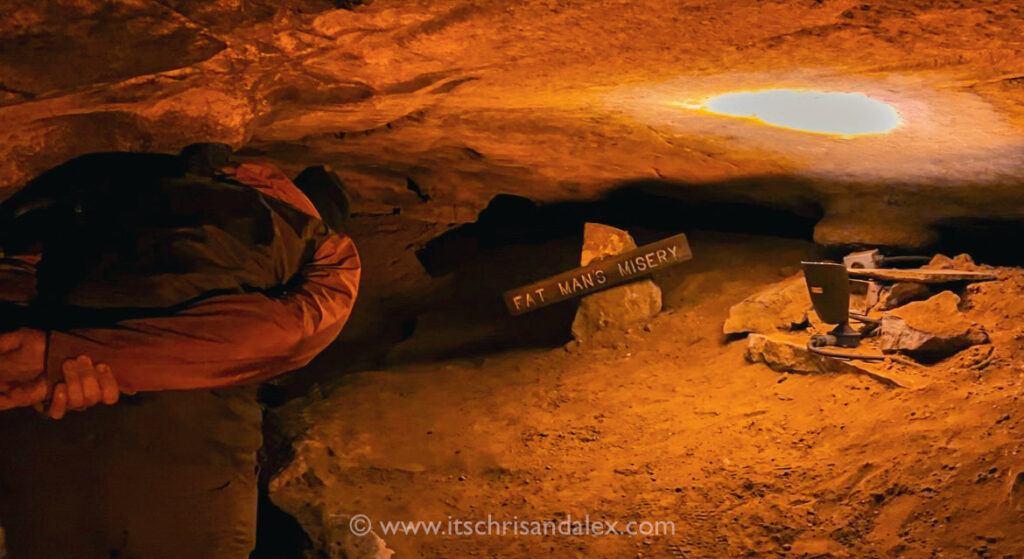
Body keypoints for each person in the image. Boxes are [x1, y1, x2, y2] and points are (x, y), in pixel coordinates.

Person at [0, 147, 361, 558]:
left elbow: (17, 270)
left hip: (54, 428)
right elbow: (286, 336)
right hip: (175, 457)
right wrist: (64, 356)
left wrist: (55, 348)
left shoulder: (101, 191)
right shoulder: (316, 242)